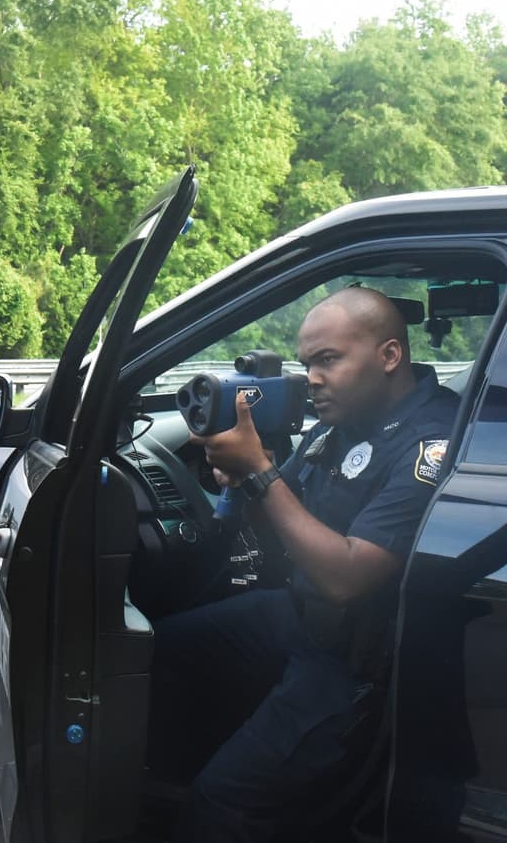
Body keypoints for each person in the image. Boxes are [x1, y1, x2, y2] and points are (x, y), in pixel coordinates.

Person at [147, 285, 459, 842]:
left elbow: (346, 577)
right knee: (157, 651)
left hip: (358, 664)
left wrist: (260, 472)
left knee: (220, 802)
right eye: (307, 363)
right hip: (301, 619)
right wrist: (244, 478)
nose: (312, 378)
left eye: (329, 360)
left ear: (390, 356)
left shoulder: (430, 444)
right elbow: (279, 516)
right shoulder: (338, 425)